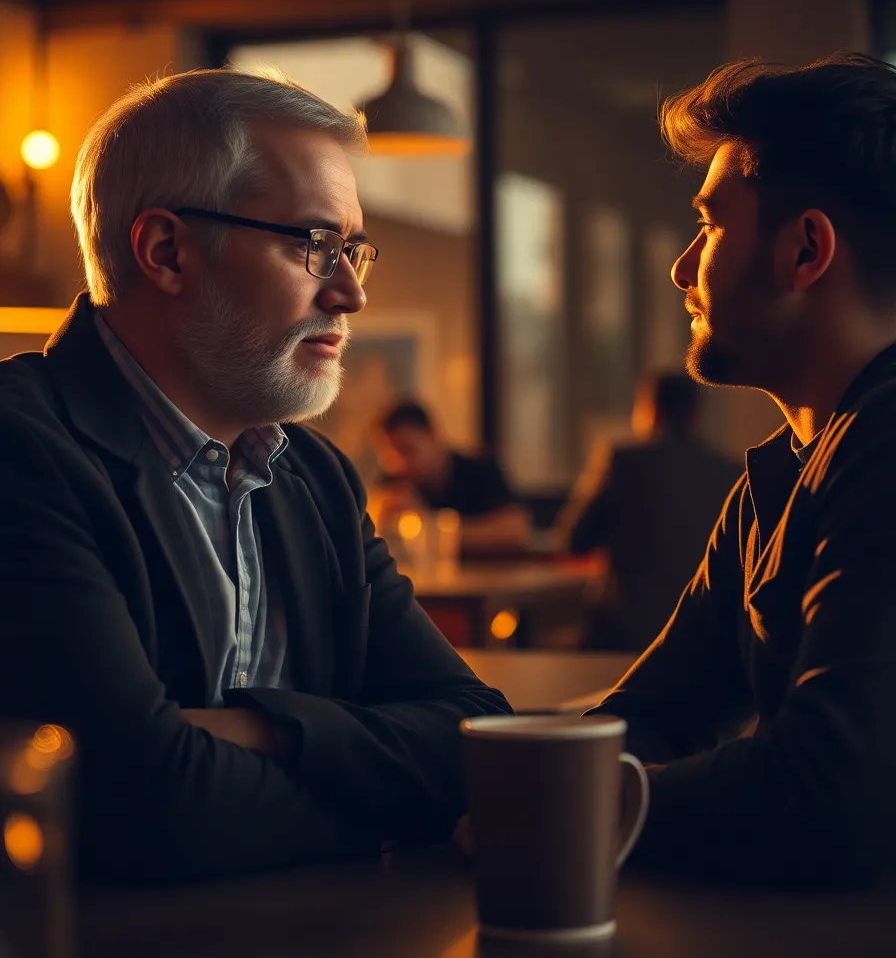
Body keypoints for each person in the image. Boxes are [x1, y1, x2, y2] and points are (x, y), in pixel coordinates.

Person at [0, 69, 510, 885]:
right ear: (167, 250)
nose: (351, 291)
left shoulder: (316, 478)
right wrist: (377, 787)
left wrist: (257, 730)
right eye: (315, 245)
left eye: (354, 249)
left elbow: (481, 738)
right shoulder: (21, 451)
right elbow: (139, 805)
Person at [590, 53, 896, 888]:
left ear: (806, 251)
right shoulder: (781, 475)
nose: (682, 268)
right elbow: (657, 710)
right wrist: (555, 778)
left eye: (710, 225)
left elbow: (834, 789)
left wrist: (591, 810)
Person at [557, 372, 741, 650]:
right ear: (696, 414)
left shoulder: (624, 463)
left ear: (648, 411)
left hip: (624, 638)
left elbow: (574, 538)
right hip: (707, 642)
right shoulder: (731, 473)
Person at [372, 400, 532, 554]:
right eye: (389, 456)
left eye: (407, 449)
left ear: (433, 436)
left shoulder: (480, 470)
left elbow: (516, 532)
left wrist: (430, 526)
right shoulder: (394, 481)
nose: (399, 463)